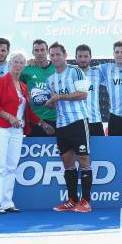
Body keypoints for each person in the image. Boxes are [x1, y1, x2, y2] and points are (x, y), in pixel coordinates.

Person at [0, 52, 53, 214]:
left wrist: (42, 123)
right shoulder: (0, 81)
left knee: (11, 166)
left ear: (24, 66)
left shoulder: (23, 86)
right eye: (15, 61)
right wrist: (9, 117)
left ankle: (7, 202)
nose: (18, 65)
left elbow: (27, 110)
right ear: (10, 63)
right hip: (0, 128)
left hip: (17, 130)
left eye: (21, 62)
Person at [46, 42, 93, 213]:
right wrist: (50, 102)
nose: (55, 57)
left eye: (58, 54)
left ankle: (86, 201)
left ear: (65, 56)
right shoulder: (50, 79)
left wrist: (60, 97)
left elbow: (83, 94)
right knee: (67, 164)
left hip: (78, 122)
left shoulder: (75, 71)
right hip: (61, 125)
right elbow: (52, 105)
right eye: (52, 55)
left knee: (83, 161)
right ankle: (72, 200)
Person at [20, 40, 57, 137]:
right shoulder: (26, 70)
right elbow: (17, 89)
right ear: (33, 52)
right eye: (36, 50)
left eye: (42, 50)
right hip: (35, 120)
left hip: (56, 118)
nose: (39, 53)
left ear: (47, 51)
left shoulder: (57, 68)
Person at [75, 44, 105, 136]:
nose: (83, 59)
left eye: (86, 56)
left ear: (90, 57)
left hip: (95, 121)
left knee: (101, 150)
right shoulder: (69, 73)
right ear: (75, 58)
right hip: (76, 122)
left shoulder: (98, 72)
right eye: (80, 56)